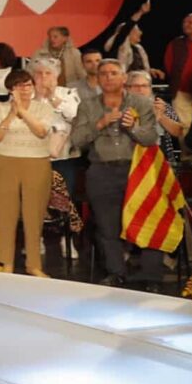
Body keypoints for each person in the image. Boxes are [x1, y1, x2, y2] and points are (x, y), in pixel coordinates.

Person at [71, 59, 162, 290]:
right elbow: (77, 140)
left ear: (124, 78)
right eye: (103, 74)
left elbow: (151, 138)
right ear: (98, 79)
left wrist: (133, 127)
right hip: (102, 171)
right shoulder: (87, 105)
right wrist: (99, 124)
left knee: (146, 222)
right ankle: (115, 273)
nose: (109, 77)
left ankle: (151, 276)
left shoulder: (142, 103)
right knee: (106, 226)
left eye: (114, 73)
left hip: (137, 171)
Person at [0, 69, 54, 276]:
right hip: (5, 161)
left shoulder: (43, 108)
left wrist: (23, 112)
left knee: (33, 214)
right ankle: (6, 262)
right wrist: (10, 114)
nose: (24, 89)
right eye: (19, 85)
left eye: (28, 85)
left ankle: (33, 264)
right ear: (10, 89)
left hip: (37, 162)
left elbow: (41, 132)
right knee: (5, 214)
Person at [30, 57, 82, 195]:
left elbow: (73, 115)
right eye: (39, 73)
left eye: (48, 73)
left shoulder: (68, 93)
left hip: (62, 156)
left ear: (56, 75)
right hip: (32, 156)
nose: (43, 76)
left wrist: (52, 96)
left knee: (62, 200)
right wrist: (38, 97)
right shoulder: (25, 94)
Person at [128, 70, 182, 166]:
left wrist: (161, 117)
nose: (140, 90)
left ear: (150, 88)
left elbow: (178, 132)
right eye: (136, 86)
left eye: (144, 86)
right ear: (127, 88)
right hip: (131, 158)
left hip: (160, 157)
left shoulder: (162, 106)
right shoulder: (121, 107)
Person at [101, 2, 163, 80]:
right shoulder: (118, 45)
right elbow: (127, 27)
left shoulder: (138, 49)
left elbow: (137, 68)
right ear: (128, 34)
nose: (141, 32)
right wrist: (141, 12)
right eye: (137, 30)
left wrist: (150, 70)